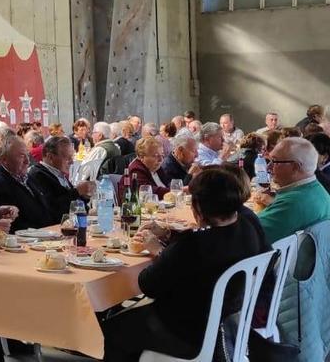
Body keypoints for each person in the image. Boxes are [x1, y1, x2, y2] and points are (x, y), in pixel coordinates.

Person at [102, 168, 271, 361]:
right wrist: (168, 236)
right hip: (225, 323)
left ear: (198, 207)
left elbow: (148, 284)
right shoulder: (247, 225)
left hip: (187, 332)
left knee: (109, 331)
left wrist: (158, 250)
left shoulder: (194, 245)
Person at [258, 137, 330, 243]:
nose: (268, 167)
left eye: (274, 161)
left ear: (295, 167)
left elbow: (248, 236)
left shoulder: (294, 202)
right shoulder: (316, 190)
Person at [0, 135, 52, 231]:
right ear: (4, 160)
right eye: (21, 156)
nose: (27, 161)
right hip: (27, 240)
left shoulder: (27, 177)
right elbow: (10, 226)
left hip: (45, 235)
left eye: (27, 155)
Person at [27, 136, 95, 224]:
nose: (72, 162)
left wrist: (84, 196)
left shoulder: (57, 173)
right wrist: (77, 192)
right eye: (67, 158)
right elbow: (53, 209)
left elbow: (74, 206)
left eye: (72, 157)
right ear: (50, 157)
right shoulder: (38, 175)